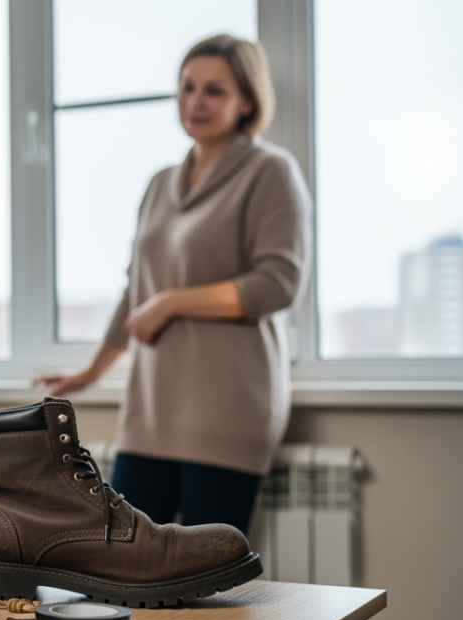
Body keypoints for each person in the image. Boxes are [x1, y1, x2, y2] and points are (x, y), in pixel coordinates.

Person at [35, 35, 311, 534]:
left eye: (214, 91)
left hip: (229, 410)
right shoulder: (160, 183)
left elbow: (278, 283)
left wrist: (172, 303)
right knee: (122, 563)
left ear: (248, 100)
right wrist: (93, 371)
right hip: (151, 409)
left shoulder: (270, 171)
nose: (195, 101)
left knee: (206, 586)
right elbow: (133, 289)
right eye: (187, 87)